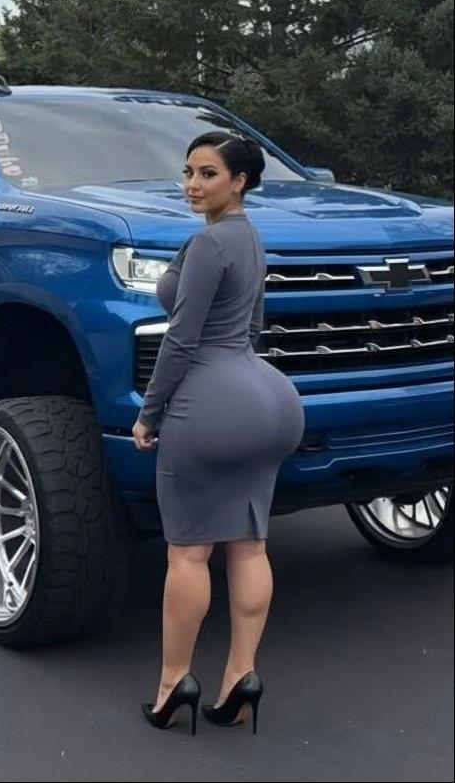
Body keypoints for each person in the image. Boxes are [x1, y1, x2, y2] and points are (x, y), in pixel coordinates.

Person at [133, 131, 305, 736]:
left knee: (189, 550)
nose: (193, 184)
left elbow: (180, 338)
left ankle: (172, 682)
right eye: (189, 172)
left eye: (208, 173)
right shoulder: (253, 239)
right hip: (270, 399)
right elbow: (254, 325)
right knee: (251, 544)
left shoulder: (209, 244)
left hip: (209, 400)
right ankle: (241, 677)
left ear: (239, 182)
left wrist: (149, 414)